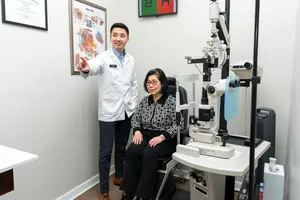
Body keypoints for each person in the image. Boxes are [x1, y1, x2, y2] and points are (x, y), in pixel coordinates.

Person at [77, 23, 139, 200]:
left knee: (121, 148)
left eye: (122, 35)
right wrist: (85, 67)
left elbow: (133, 84)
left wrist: (133, 104)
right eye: (115, 35)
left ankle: (119, 176)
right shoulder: (103, 57)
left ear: (127, 38)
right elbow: (92, 66)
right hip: (108, 113)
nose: (118, 38)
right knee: (105, 152)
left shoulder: (131, 59)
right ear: (111, 37)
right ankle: (104, 189)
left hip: (126, 111)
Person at [120, 68, 184, 200]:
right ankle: (129, 191)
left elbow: (180, 124)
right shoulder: (145, 101)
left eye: (154, 82)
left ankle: (144, 195)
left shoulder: (171, 101)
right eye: (148, 82)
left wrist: (162, 137)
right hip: (146, 135)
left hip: (165, 139)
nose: (151, 85)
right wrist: (137, 131)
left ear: (162, 84)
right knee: (132, 151)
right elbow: (136, 118)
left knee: (149, 153)